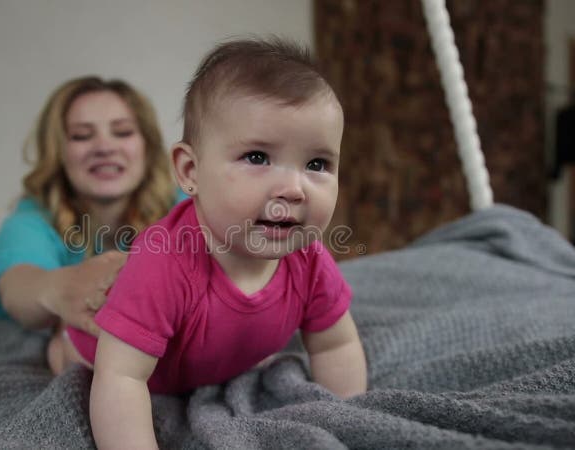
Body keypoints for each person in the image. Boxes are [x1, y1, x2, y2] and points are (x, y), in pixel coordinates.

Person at [53, 38, 368, 449]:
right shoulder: (164, 260)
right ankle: (56, 349)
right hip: (100, 352)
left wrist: (352, 422)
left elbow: (336, 343)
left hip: (209, 362)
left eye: (316, 164)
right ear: (190, 171)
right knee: (71, 367)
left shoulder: (308, 259)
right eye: (257, 157)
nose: (293, 188)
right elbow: (122, 378)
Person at [0, 76, 177, 336]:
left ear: (148, 146)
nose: (104, 147)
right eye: (81, 136)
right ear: (58, 153)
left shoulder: (186, 209)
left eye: (122, 132)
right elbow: (18, 286)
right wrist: (60, 290)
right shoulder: (30, 221)